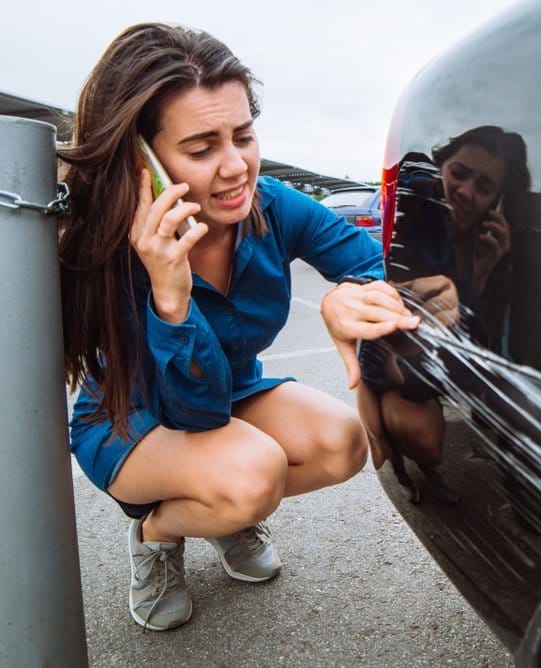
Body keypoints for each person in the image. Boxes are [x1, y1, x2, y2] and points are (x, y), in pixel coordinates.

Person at [58, 22, 419, 631]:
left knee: (343, 442)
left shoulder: (272, 205)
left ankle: (220, 509)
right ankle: (156, 533)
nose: (236, 168)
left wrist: (347, 296)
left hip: (229, 394)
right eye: (201, 149)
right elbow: (191, 411)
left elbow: (373, 263)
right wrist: (171, 301)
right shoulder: (107, 247)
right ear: (141, 161)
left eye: (243, 136)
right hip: (130, 417)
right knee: (250, 476)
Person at [357, 126, 529, 503]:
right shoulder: (414, 216)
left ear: (497, 202)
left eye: (484, 187)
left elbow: (477, 344)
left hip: (429, 365)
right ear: (441, 167)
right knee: (425, 434)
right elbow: (413, 347)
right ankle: (407, 459)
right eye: (458, 173)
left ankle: (426, 466)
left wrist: (483, 272)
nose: (466, 191)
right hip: (396, 366)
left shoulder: (492, 246)